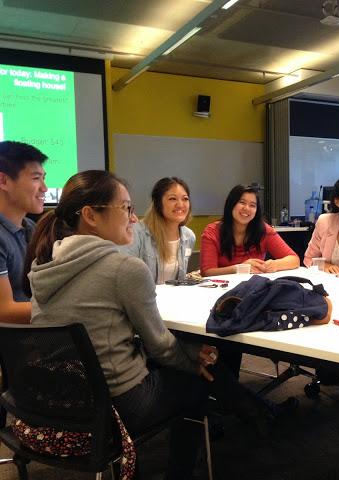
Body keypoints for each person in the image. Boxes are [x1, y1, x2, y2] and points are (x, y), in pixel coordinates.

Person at [25, 171, 278, 479]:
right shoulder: (124, 268)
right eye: (126, 209)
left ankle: (258, 412)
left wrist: (190, 354)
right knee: (199, 378)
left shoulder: (44, 263)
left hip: (57, 401)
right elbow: (160, 347)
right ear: (90, 215)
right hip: (118, 404)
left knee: (193, 362)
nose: (134, 219)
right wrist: (194, 359)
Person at [200, 184, 299, 276]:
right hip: (221, 289)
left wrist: (275, 264)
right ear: (231, 204)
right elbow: (207, 271)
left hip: (253, 288)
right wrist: (240, 268)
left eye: (252, 205)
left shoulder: (264, 230)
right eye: (242, 202)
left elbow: (294, 259)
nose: (247, 208)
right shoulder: (212, 231)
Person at [0, 140, 47, 324]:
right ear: (3, 181)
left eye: (44, 178)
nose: (44, 188)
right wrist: (68, 308)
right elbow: (3, 311)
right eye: (36, 178)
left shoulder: (32, 227)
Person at [124, 177, 196, 284]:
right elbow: (126, 278)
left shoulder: (189, 236)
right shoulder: (137, 233)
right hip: (143, 299)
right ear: (158, 203)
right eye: (172, 199)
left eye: (185, 199)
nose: (180, 204)